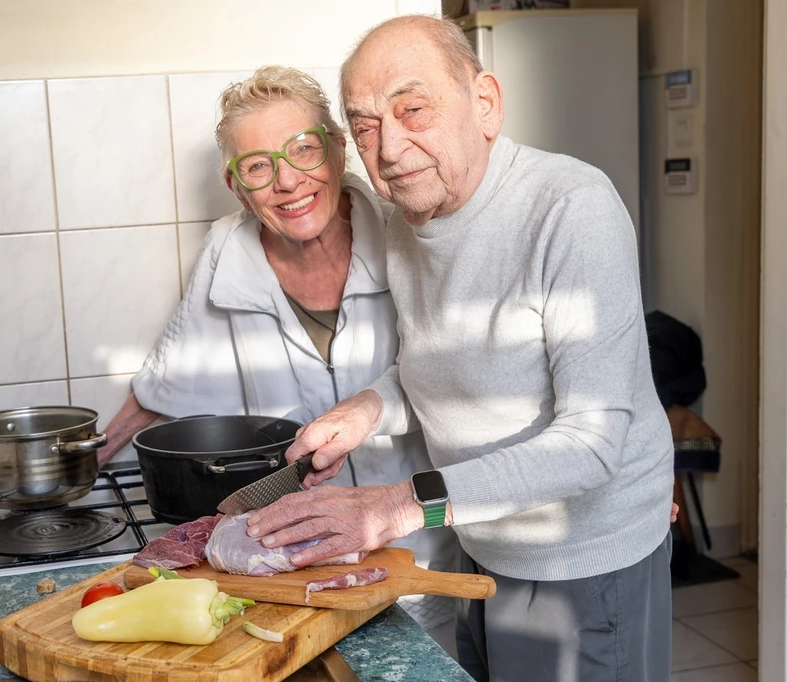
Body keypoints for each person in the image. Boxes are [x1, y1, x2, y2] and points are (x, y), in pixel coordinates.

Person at [247, 17, 675, 682]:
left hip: (584, 560)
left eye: (412, 109)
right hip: (484, 540)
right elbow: (436, 364)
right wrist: (366, 408)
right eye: (364, 126)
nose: (388, 147)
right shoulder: (407, 218)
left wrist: (398, 505)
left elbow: (592, 444)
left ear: (485, 104)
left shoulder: (571, 209)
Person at [95, 66, 455, 631]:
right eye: (259, 166)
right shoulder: (227, 250)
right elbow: (169, 385)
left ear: (338, 154)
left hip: (416, 547)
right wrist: (81, 467)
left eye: (304, 150)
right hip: (292, 567)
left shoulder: (409, 232)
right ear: (236, 185)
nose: (287, 182)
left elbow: (459, 374)